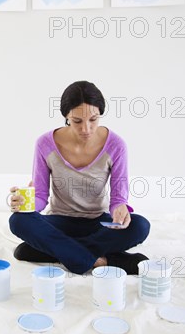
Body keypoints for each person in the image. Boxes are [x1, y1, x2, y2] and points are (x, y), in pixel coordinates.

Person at [8, 81, 150, 275]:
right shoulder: (45, 144)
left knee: (140, 225)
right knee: (18, 221)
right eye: (77, 121)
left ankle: (70, 254)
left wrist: (120, 209)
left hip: (98, 222)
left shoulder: (116, 145)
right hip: (60, 221)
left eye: (93, 119)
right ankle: (101, 261)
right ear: (66, 116)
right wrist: (27, 202)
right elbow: (41, 196)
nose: (86, 128)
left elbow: (118, 199)